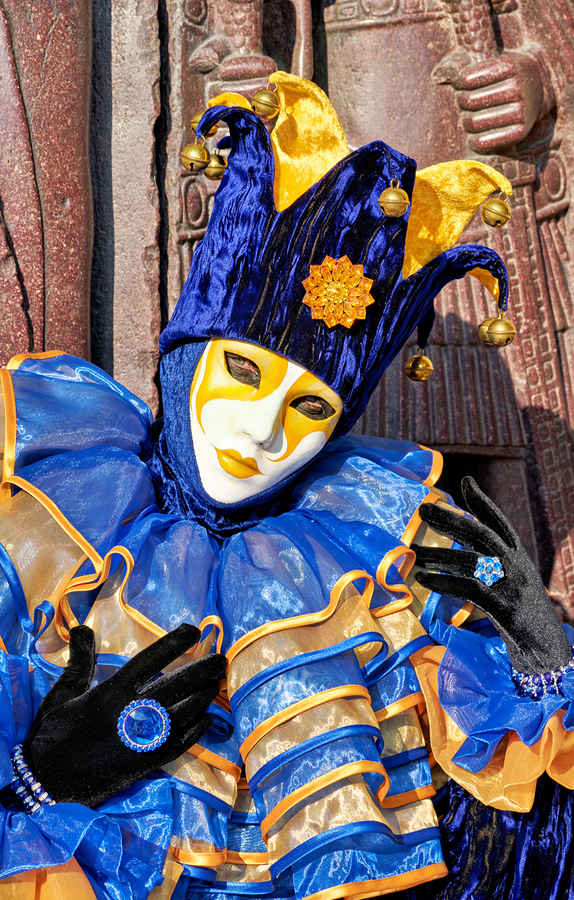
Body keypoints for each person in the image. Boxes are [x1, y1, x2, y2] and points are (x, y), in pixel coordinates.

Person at [0, 73, 573, 900]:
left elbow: (515, 843)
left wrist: (540, 660)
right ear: (184, 359)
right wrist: (37, 781)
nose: (261, 433)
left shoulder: (376, 561)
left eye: (309, 407)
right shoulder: (48, 516)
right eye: (241, 372)